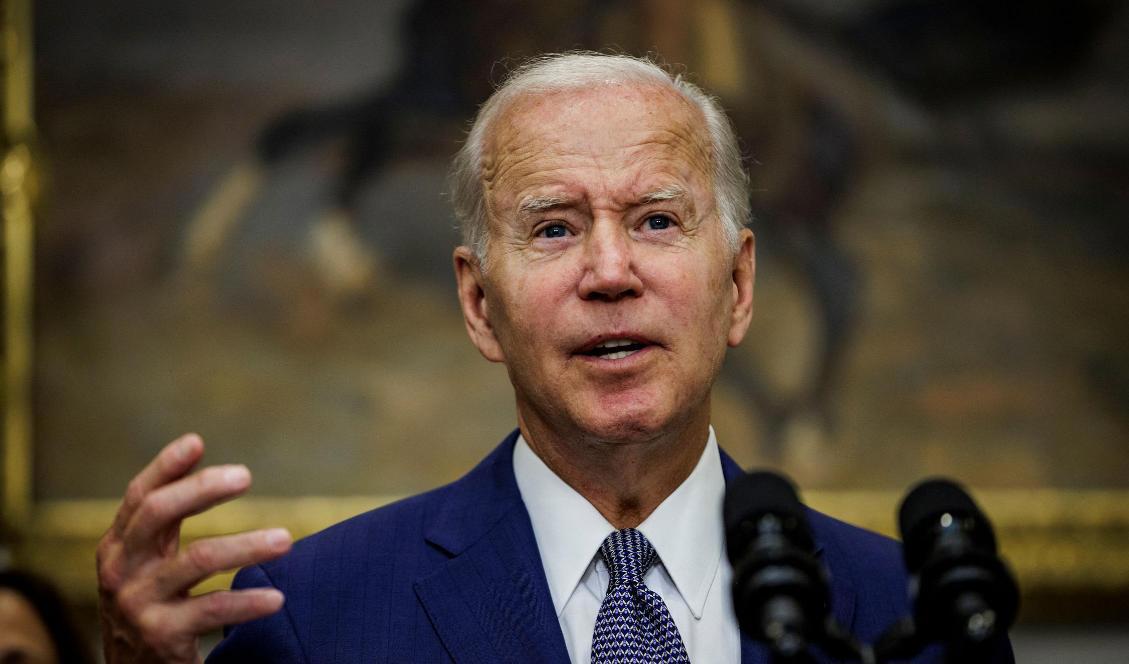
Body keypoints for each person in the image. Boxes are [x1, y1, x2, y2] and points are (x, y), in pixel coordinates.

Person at [97, 53, 1012, 663]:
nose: (609, 272)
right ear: (477, 302)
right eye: (553, 227)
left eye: (656, 220)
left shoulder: (911, 613)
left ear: (737, 286)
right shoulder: (311, 617)